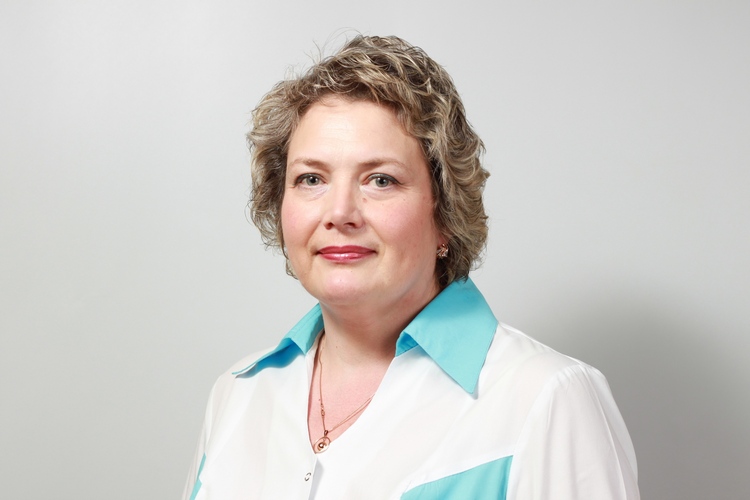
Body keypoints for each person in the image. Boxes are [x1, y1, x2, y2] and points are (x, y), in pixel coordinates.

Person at [183, 35, 640, 499]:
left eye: (380, 180)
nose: (339, 213)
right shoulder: (238, 394)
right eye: (311, 178)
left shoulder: (545, 399)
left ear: (445, 211)